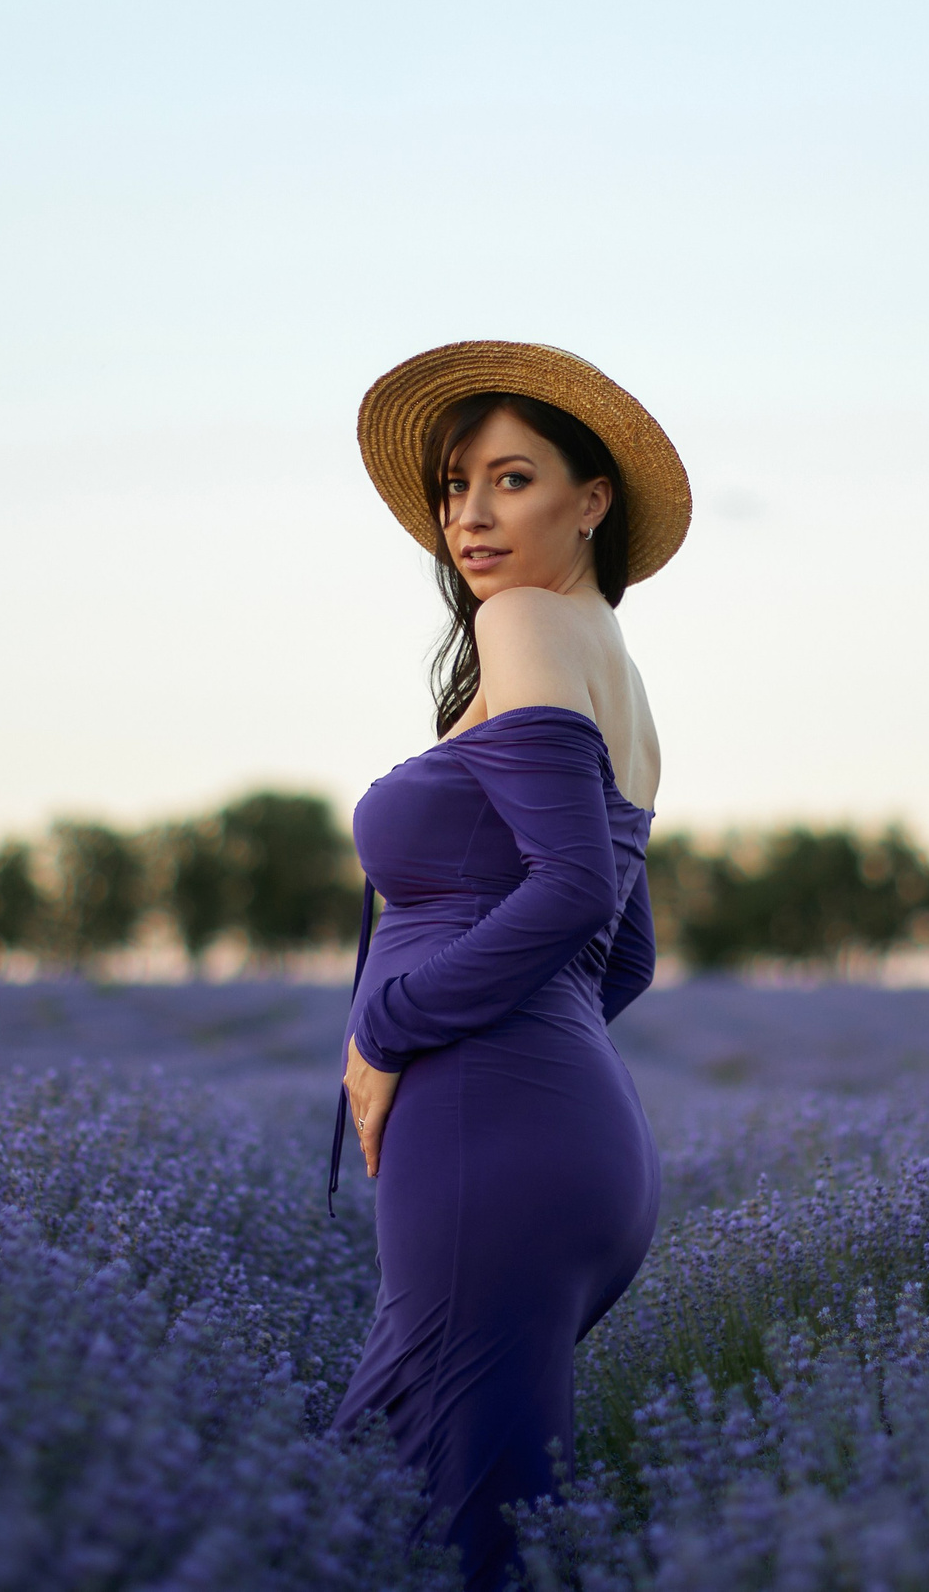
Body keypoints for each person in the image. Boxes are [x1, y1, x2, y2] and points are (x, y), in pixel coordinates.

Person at [329, 340, 691, 1589]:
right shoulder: (612, 668)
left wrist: (390, 1030)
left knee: (441, 1530)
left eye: (512, 479)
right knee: (417, 1498)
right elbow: (622, 955)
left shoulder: (523, 622)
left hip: (488, 1132)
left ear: (592, 501)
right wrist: (533, 1061)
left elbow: (575, 892)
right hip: (573, 1147)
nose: (470, 516)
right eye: (454, 487)